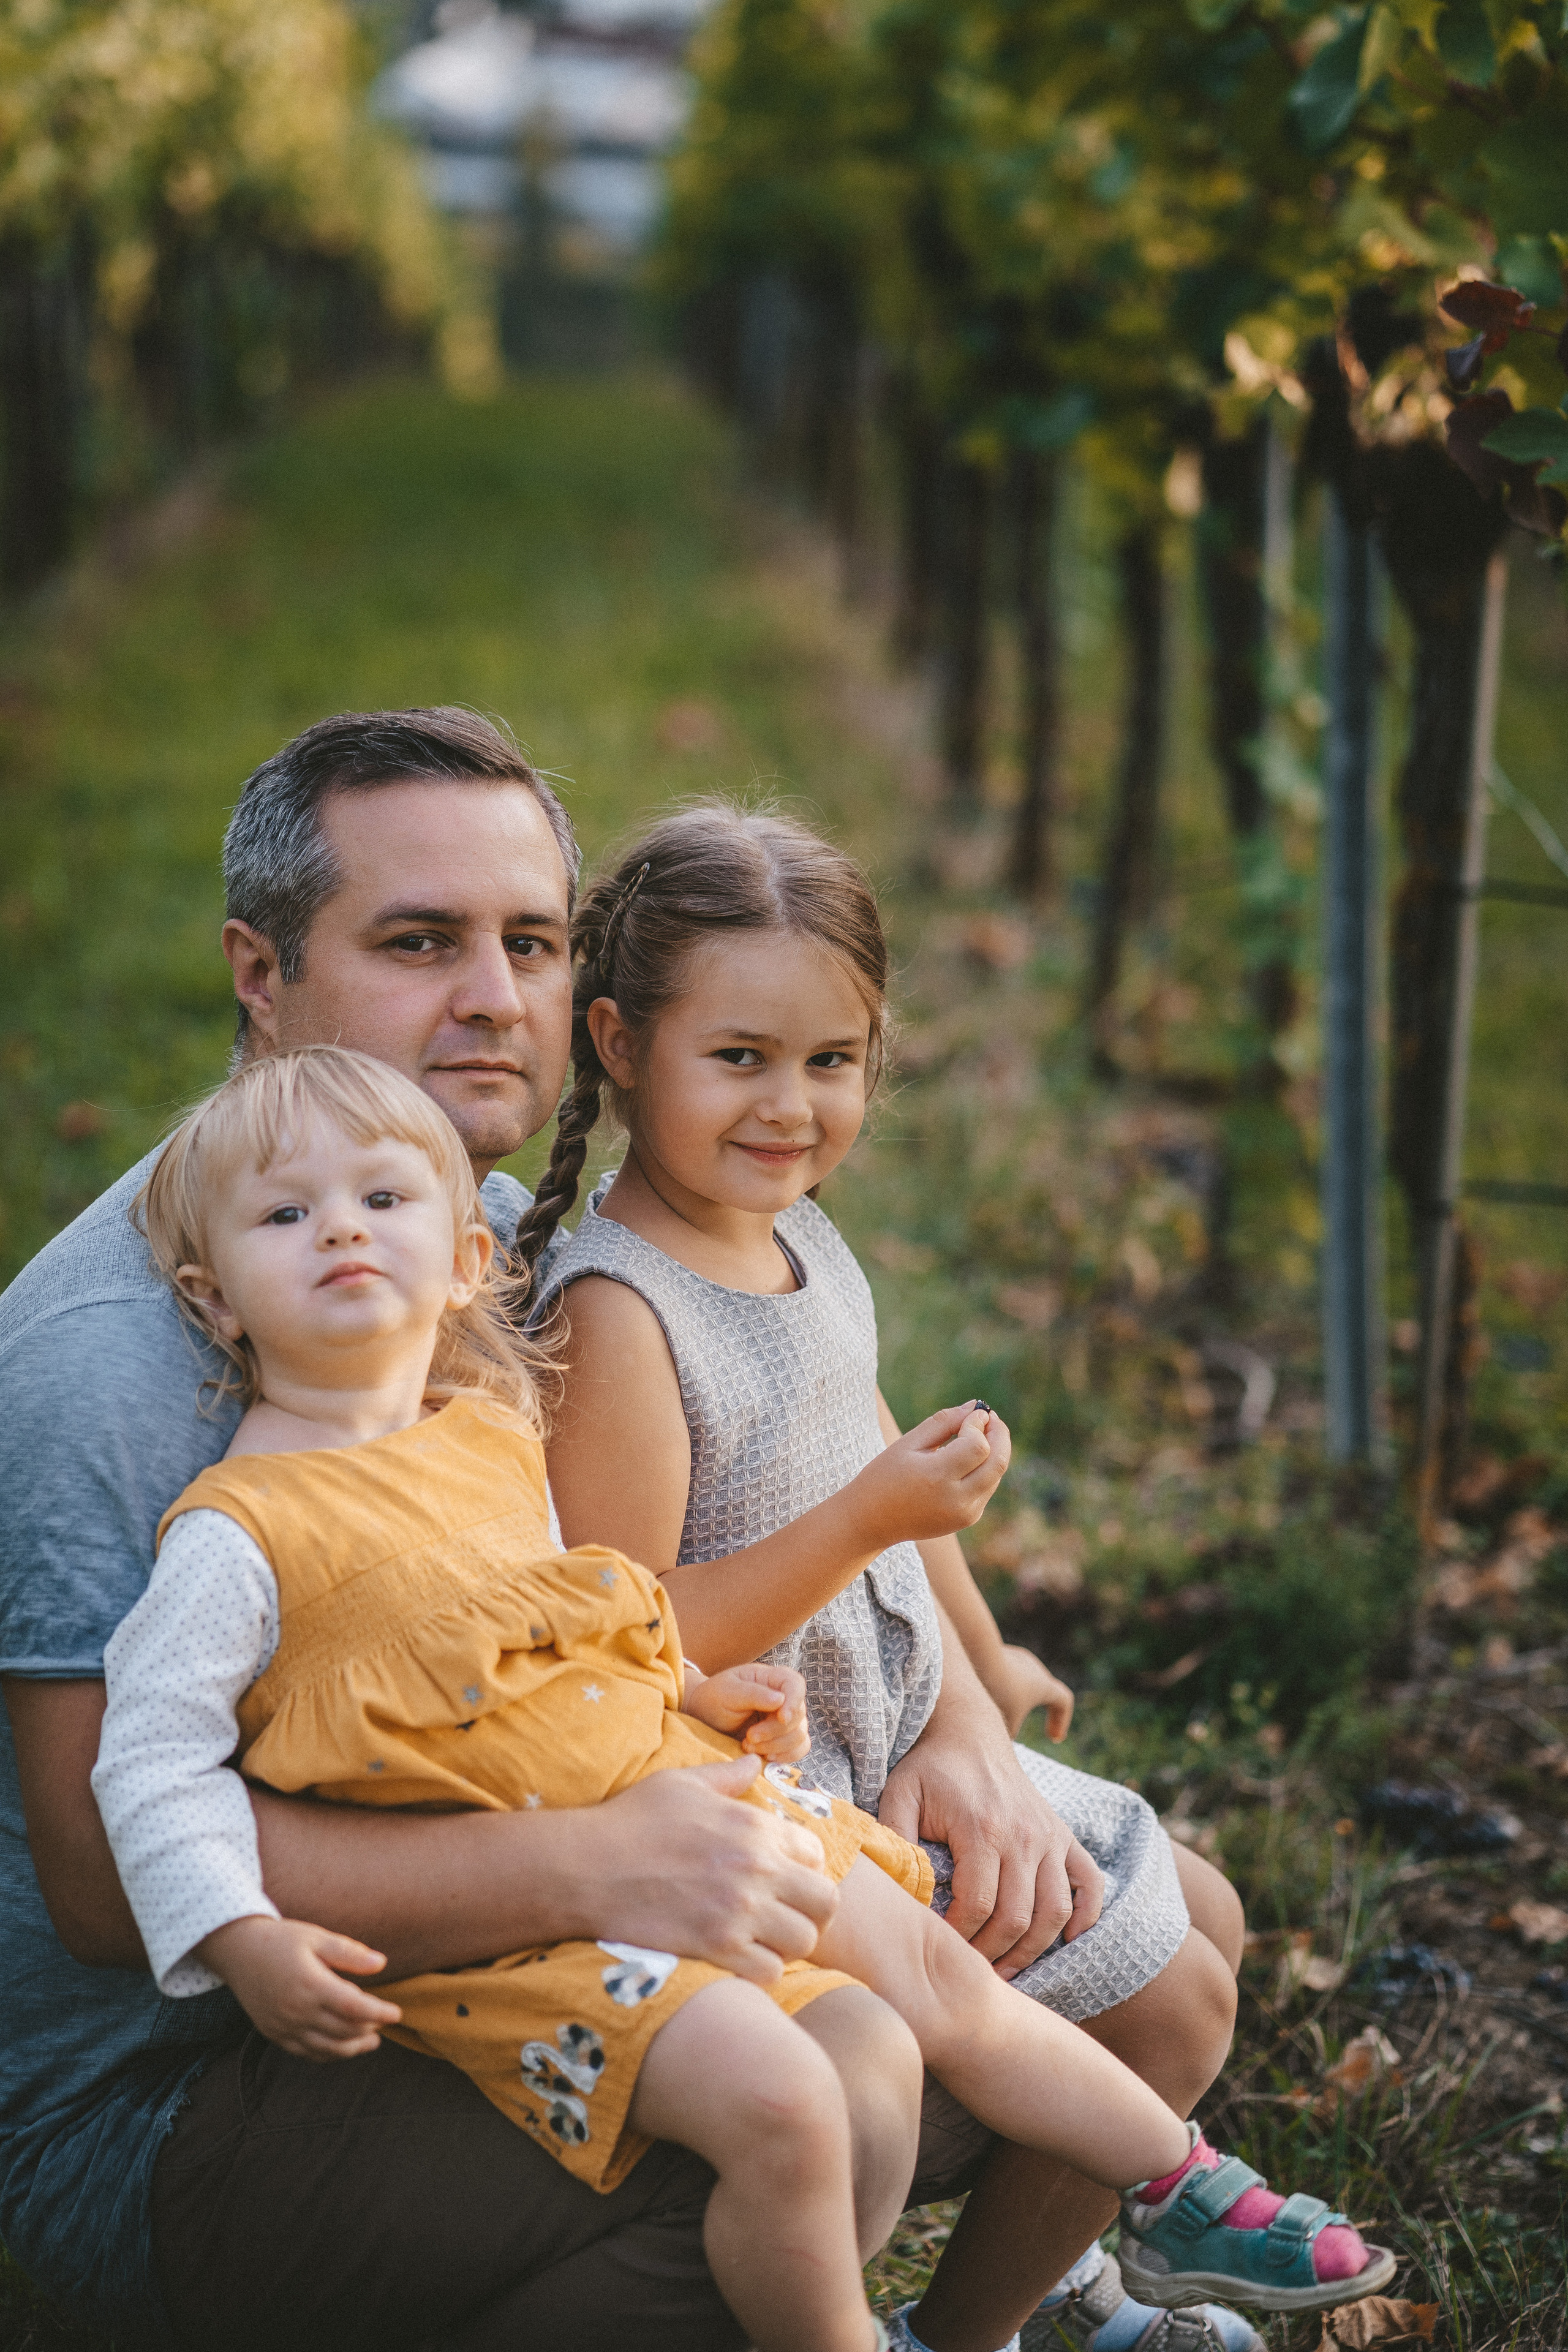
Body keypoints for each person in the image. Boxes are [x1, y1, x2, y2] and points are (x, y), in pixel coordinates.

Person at [0, 707, 1259, 2352]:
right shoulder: (113, 1362)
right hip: (190, 2102)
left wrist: (959, 1718)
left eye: (530, 942)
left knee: (1166, 1930)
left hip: (501, 1900)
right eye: (419, 942)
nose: (492, 997)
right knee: (854, 2076)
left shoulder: (459, 1226)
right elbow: (103, 1886)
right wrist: (597, 1861)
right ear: (260, 970)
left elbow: (652, 1552)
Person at [94, 1045, 1392, 2352]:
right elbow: (149, 1766)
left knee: (935, 1971)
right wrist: (237, 1935)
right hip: (536, 1933)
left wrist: (693, 1690)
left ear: (468, 1260)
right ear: (215, 1298)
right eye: (285, 1215)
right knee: (786, 2099)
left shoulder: (486, 1437)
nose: (340, 1231)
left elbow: (572, 1633)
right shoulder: (238, 1535)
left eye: (382, 1200)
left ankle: (1176, 2185)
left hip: (688, 1800)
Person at [526, 804, 1270, 2352]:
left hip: (890, 1745)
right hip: (779, 1811)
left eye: (831, 1061)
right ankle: (969, 2328)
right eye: (739, 1057)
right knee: (1173, 1997)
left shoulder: (791, 1233)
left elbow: (876, 1458)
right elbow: (634, 1643)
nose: (789, 1106)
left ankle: (1046, 2264)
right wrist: (867, 1519)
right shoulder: (619, 1315)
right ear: (618, 1043)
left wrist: (981, 1673)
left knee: (1206, 1911)